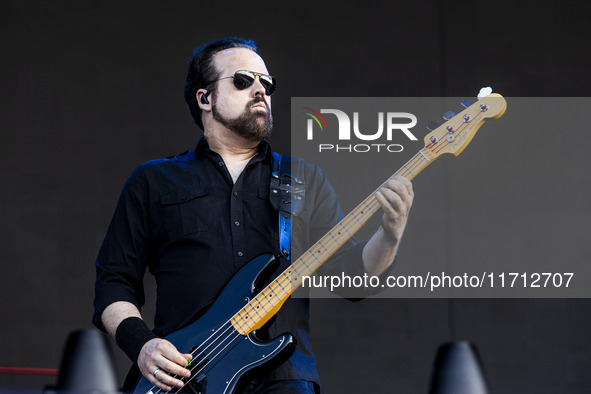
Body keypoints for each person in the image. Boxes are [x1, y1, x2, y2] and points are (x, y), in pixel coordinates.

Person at [93, 38, 414, 394]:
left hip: (284, 379)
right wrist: (142, 346)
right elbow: (113, 283)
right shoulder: (154, 180)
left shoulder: (304, 178)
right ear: (205, 98)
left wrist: (390, 233)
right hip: (185, 378)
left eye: (267, 82)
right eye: (243, 80)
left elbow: (353, 281)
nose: (261, 89)